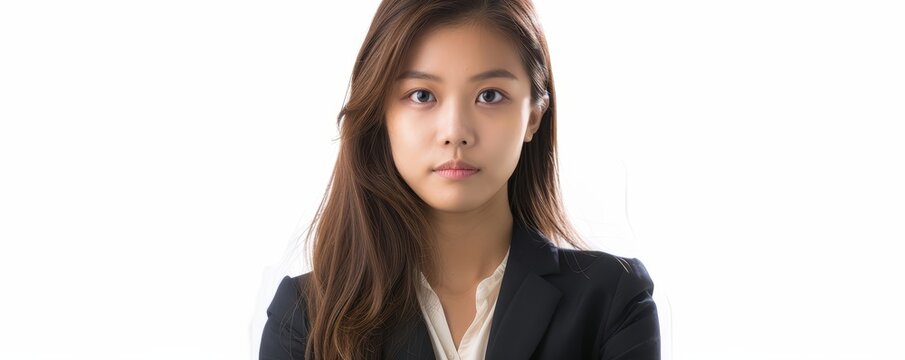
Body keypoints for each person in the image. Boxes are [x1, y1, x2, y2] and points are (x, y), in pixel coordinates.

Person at [259, 0, 660, 359]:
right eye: (422, 95)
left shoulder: (612, 302)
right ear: (382, 113)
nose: (455, 131)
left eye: (490, 95)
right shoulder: (305, 317)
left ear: (534, 115)